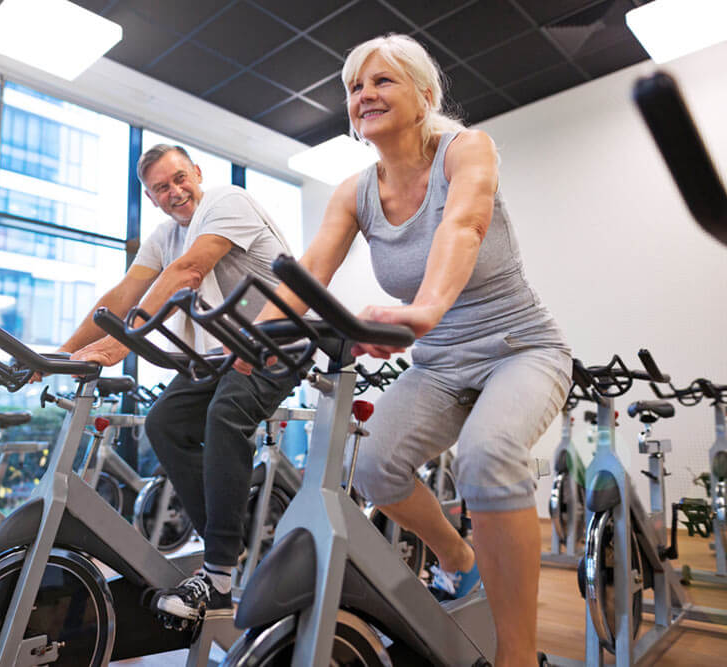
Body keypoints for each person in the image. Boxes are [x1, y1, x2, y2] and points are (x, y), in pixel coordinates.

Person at [237, 34, 571, 667]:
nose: (364, 95)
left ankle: (518, 656)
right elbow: (310, 269)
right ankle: (456, 557)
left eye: (382, 81)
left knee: (488, 454)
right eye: (355, 88)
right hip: (439, 364)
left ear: (425, 94)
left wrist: (425, 309)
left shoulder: (466, 150)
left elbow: (464, 224)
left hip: (520, 347)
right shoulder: (353, 191)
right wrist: (252, 336)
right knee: (373, 466)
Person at [59, 143, 298, 621]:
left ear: (198, 173)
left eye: (180, 179)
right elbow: (124, 294)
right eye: (161, 188)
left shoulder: (227, 201)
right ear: (151, 198)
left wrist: (125, 343)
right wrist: (60, 356)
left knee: (225, 415)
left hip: (279, 337)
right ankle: (227, 542)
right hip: (222, 350)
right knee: (165, 422)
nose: (175, 192)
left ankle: (219, 576)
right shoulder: (164, 236)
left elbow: (190, 269)